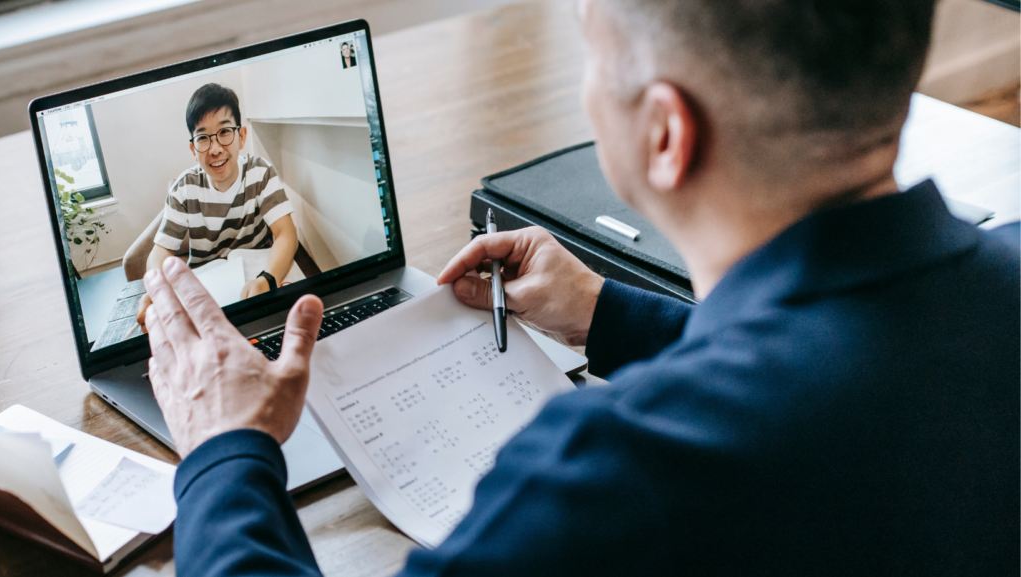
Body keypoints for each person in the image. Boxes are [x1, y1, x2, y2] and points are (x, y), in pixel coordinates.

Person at [142, 0, 1019, 575]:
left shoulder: (613, 478)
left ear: (666, 133)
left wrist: (224, 448)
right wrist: (610, 315)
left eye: (592, 52)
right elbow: (849, 359)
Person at [136, 83, 298, 330]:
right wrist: (157, 289)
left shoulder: (260, 172)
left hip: (259, 285)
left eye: (224, 132)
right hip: (206, 296)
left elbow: (286, 233)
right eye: (203, 138)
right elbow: (160, 252)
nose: (215, 149)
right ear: (193, 148)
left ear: (241, 136)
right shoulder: (183, 189)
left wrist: (268, 279)